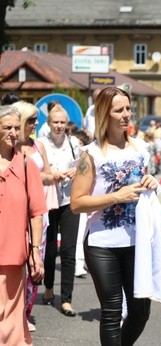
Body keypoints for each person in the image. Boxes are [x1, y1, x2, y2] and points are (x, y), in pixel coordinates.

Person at [70, 86, 159, 345]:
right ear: (104, 115)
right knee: (111, 311)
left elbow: (141, 184)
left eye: (128, 109)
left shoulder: (141, 149)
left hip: (137, 241)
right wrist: (115, 197)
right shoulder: (91, 153)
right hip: (102, 243)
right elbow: (76, 203)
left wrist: (150, 180)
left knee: (141, 311)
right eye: (118, 110)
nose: (126, 115)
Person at [0, 105, 46, 345]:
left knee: (10, 327)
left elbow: (37, 213)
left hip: (13, 258)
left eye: (17, 127)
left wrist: (36, 252)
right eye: (7, 127)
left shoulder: (27, 166)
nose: (13, 132)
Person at [13, 100, 55, 332]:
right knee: (16, 264)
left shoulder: (38, 145)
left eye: (36, 119)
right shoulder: (9, 146)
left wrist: (45, 176)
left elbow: (47, 175)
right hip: (15, 213)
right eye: (30, 120)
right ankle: (12, 311)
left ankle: (26, 312)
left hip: (39, 212)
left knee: (35, 264)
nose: (36, 123)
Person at [38, 103, 81, 316]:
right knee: (50, 250)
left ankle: (66, 299)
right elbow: (38, 170)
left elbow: (82, 166)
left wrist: (75, 171)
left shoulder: (74, 142)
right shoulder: (41, 144)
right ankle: (48, 288)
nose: (59, 126)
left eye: (62, 122)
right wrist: (53, 172)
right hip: (49, 201)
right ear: (49, 123)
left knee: (68, 251)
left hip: (69, 200)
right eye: (55, 122)